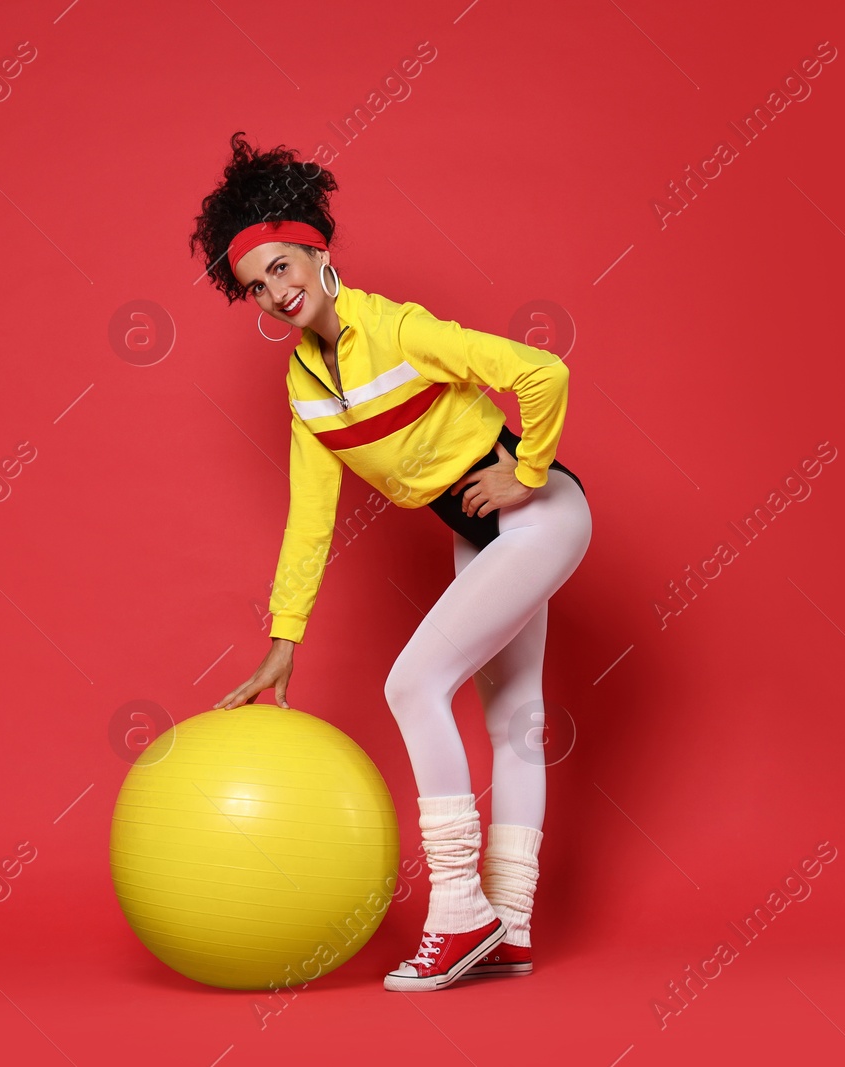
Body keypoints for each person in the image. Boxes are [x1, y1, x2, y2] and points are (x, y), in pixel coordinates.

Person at [190, 131, 592, 992]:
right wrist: (283, 640)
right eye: (259, 289)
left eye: (284, 269)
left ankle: (458, 911)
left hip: (544, 515)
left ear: (317, 252)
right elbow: (310, 521)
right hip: (478, 533)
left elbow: (541, 372)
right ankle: (511, 925)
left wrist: (524, 475)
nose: (277, 294)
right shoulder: (304, 390)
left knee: (411, 685)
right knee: (515, 719)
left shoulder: (401, 331)